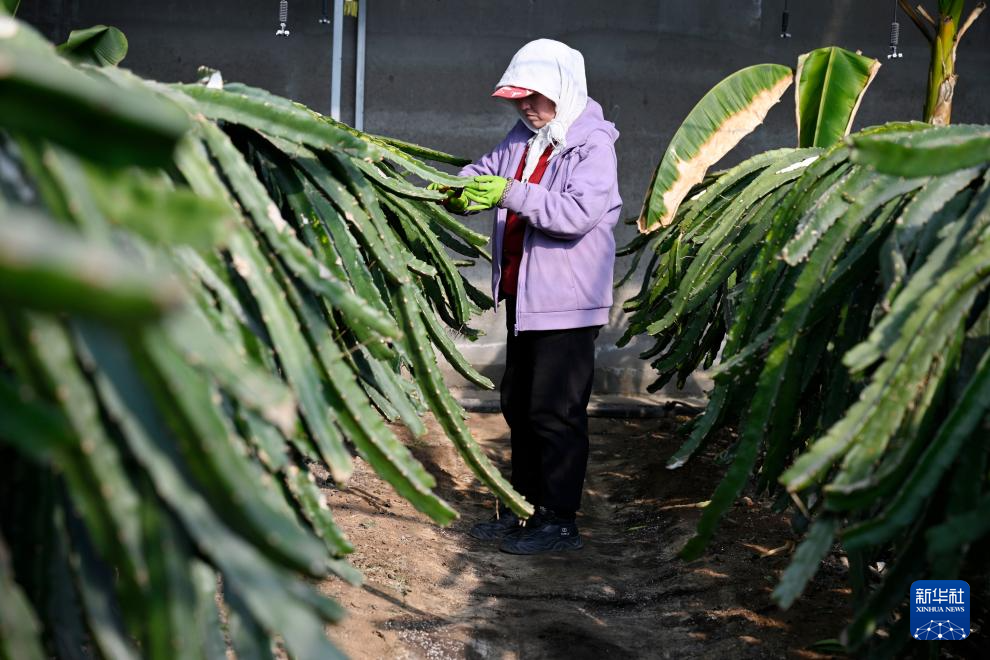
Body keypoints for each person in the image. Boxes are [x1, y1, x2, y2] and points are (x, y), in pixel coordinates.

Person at [436, 38, 621, 555]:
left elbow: (574, 214)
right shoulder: (525, 137)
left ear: (563, 89)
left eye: (534, 97)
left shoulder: (592, 146)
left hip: (567, 301)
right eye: (518, 98)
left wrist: (509, 192)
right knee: (519, 405)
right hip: (526, 297)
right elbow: (484, 171)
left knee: (555, 410)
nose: (525, 107)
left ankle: (559, 520)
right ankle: (523, 510)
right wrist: (455, 189)